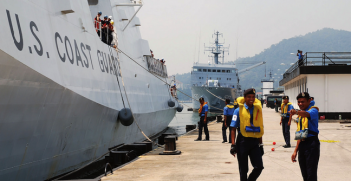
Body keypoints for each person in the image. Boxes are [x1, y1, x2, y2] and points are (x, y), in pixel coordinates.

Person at [230, 88, 264, 181]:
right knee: (243, 169)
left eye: (253, 97)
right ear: (245, 98)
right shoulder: (238, 111)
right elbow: (233, 128)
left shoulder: (258, 110)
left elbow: (259, 128)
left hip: (254, 141)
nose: (251, 99)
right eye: (249, 97)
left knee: (259, 167)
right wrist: (233, 145)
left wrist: (261, 145)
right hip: (242, 141)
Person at [289, 92, 320, 181]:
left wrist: (296, 111)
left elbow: (307, 114)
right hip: (302, 144)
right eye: (299, 102)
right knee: (304, 174)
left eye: (303, 102)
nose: (300, 104)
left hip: (311, 144)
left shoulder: (313, 110)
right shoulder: (300, 115)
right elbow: (300, 134)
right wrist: (295, 151)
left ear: (309, 100)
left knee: (311, 174)